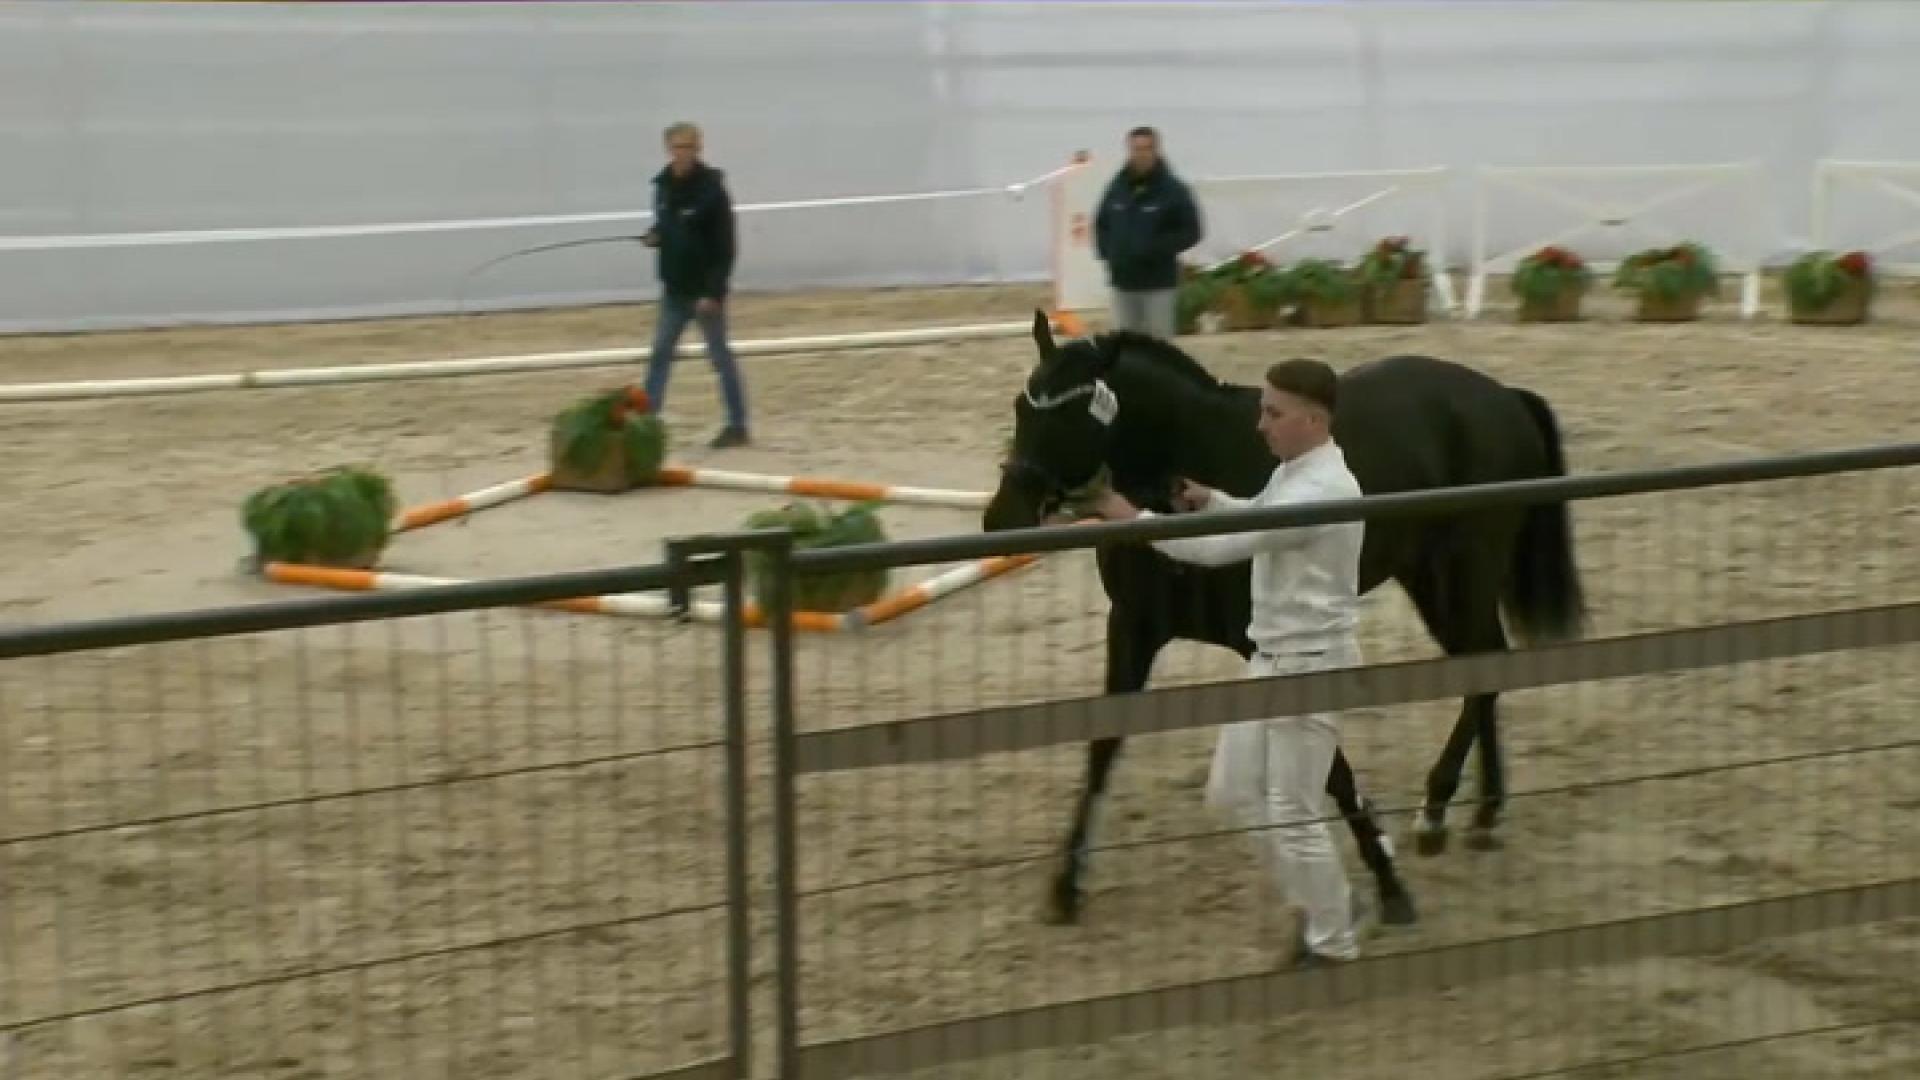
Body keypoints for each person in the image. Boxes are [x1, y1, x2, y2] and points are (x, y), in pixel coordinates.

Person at [1090, 358, 1371, 966]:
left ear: (1313, 419)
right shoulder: (1298, 472)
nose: (1260, 424)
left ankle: (1333, 939)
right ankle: (1330, 907)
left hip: (1309, 666)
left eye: (1273, 412)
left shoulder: (1321, 490)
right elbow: (1254, 516)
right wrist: (1214, 499)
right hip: (1275, 658)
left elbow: (1219, 550)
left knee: (1293, 811)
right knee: (1233, 792)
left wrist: (1129, 518)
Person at [642, 121, 750, 449]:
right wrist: (655, 236)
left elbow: (725, 246)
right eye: (678, 147)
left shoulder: (713, 191)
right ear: (668, 149)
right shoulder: (662, 187)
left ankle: (737, 424)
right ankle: (646, 424)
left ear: (699, 149)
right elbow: (666, 227)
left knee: (719, 357)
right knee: (660, 354)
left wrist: (713, 292)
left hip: (704, 293)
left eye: (689, 147)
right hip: (674, 290)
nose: (684, 153)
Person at [1092, 126, 1204, 338]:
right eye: (1137, 149)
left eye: (1147, 148)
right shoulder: (1117, 188)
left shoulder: (1173, 190)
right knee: (1124, 347)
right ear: (1129, 151)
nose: (1142, 154)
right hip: (1123, 284)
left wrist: (1156, 249)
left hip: (1158, 285)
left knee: (1158, 347)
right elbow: (1102, 224)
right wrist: (1109, 253)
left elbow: (1192, 230)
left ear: (1156, 150)